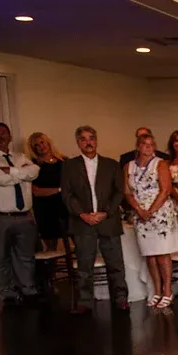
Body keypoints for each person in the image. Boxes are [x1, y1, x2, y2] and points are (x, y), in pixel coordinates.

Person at [61, 125, 129, 315]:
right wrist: (82, 214)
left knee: (116, 264)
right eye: (83, 139)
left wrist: (105, 213)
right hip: (82, 222)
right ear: (78, 143)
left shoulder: (112, 164)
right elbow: (67, 194)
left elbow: (118, 192)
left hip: (108, 220)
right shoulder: (69, 166)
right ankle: (85, 302)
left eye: (91, 138)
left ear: (96, 140)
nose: (88, 142)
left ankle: (121, 299)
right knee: (84, 265)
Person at [0, 122, 40, 306]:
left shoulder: (20, 156)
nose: (1, 135)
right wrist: (21, 173)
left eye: (4, 132)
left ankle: (28, 290)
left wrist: (9, 171)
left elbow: (34, 171)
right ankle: (8, 293)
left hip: (24, 216)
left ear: (10, 137)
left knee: (25, 256)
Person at [124, 133, 178, 309]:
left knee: (162, 253)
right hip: (140, 215)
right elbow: (127, 192)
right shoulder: (129, 166)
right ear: (138, 146)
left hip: (160, 214)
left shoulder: (160, 164)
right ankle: (156, 290)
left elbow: (165, 190)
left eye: (151, 144)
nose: (148, 147)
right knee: (149, 255)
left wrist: (151, 211)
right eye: (144, 144)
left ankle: (167, 290)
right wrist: (140, 210)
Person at [27, 132, 68, 251]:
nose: (41, 146)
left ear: (48, 142)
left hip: (65, 206)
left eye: (42, 142)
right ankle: (52, 269)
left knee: (75, 241)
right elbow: (35, 191)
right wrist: (59, 189)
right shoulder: (33, 165)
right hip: (45, 209)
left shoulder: (64, 161)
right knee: (51, 247)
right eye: (36, 145)